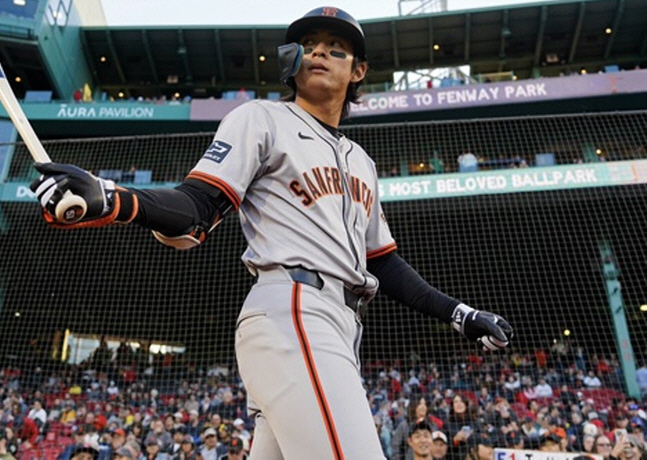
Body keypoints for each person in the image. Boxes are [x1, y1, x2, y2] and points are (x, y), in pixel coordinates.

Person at [29, 6, 513, 459]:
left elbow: (381, 261)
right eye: (309, 44)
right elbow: (197, 206)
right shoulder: (262, 118)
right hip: (294, 312)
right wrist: (113, 197)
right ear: (291, 59)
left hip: (341, 328)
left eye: (336, 48)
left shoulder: (362, 162)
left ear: (358, 71)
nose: (319, 51)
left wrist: (459, 313)